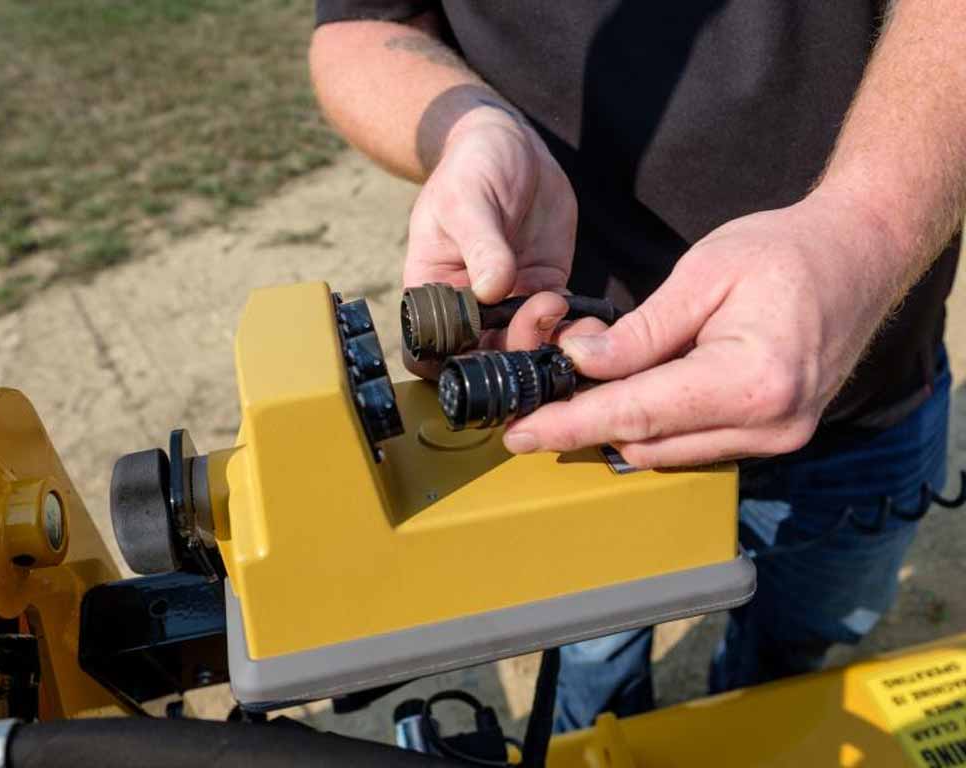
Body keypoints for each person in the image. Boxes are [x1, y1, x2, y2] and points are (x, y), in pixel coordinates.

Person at [309, 1, 966, 729]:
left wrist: (872, 227)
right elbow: (360, 27)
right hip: (574, 435)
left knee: (801, 646)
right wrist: (471, 127)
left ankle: (753, 709)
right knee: (591, 660)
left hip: (860, 406)